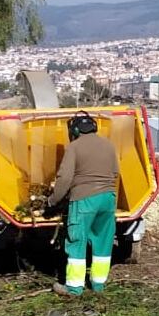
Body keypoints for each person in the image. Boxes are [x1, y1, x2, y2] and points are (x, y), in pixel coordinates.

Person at [47, 112, 120, 296]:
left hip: (85, 200)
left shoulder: (74, 147)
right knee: (103, 241)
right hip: (108, 199)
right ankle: (98, 285)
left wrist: (53, 200)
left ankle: (73, 288)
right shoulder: (109, 146)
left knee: (77, 241)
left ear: (75, 130)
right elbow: (115, 173)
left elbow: (64, 179)